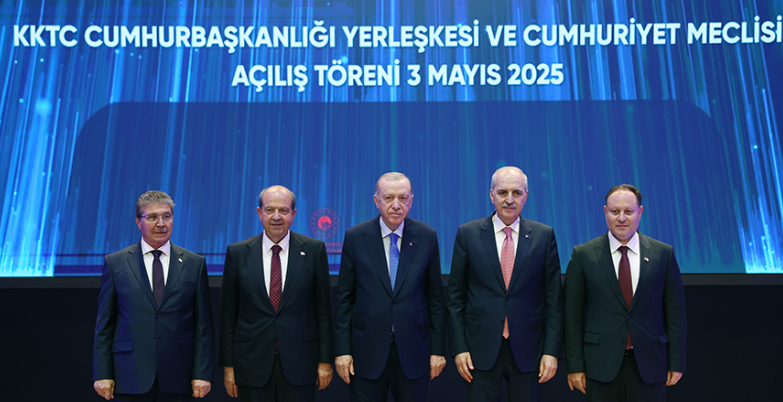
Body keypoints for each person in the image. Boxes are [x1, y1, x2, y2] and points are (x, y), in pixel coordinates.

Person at [447, 166, 563, 402]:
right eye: (502, 193)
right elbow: (455, 299)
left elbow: (554, 301)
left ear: (526, 196)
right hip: (479, 351)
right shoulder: (468, 234)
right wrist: (459, 348)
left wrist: (551, 351)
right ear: (492, 195)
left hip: (529, 351)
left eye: (517, 193)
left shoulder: (544, 236)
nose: (509, 200)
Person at [564, 184, 687, 402]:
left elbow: (675, 313)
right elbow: (572, 317)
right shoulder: (584, 255)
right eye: (615, 211)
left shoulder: (662, 254)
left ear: (640, 212)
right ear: (605, 212)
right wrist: (574, 366)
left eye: (628, 211)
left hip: (649, 364)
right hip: (600, 366)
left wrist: (676, 362)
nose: (621, 218)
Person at [334, 172, 446, 401]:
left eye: (403, 198)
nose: (396, 205)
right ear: (377, 201)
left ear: (411, 200)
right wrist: (343, 351)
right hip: (367, 353)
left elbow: (435, 299)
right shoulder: (356, 237)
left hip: (414, 353)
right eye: (389, 198)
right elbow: (344, 300)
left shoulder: (427, 236)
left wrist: (437, 350)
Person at [93, 190, 214, 401]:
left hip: (179, 377)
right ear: (138, 222)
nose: (161, 223)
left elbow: (203, 326)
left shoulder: (194, 264)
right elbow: (105, 324)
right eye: (152, 217)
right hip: (129, 375)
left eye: (167, 216)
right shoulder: (116, 263)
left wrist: (202, 373)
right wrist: (103, 373)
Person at [220, 185, 333, 401]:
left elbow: (324, 311)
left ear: (294, 214)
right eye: (270, 210)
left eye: (283, 210)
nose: (276, 217)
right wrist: (229, 366)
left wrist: (325, 360)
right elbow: (228, 314)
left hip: (300, 364)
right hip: (251, 364)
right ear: (259, 212)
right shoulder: (238, 253)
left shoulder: (314, 250)